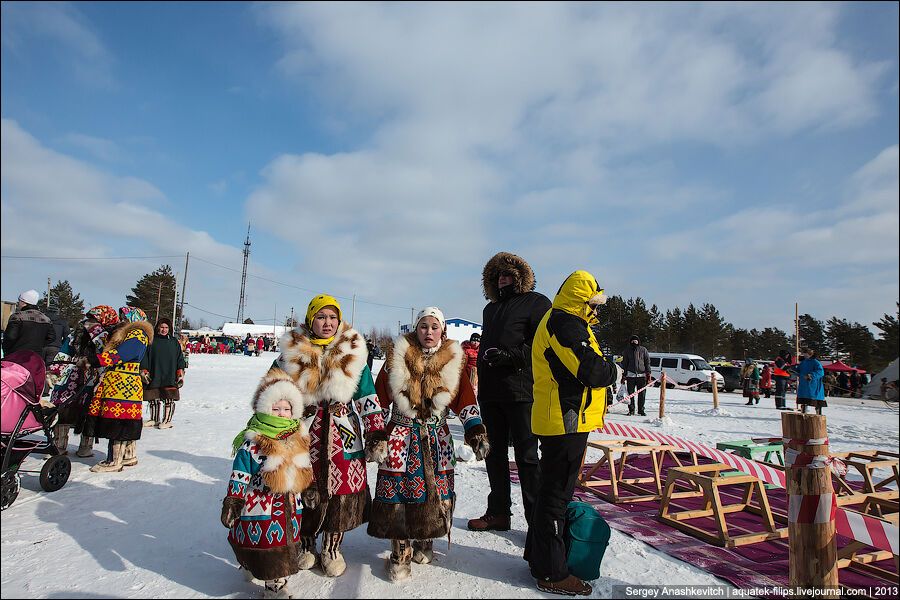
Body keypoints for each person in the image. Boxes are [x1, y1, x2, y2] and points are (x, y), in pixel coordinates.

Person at [260, 294, 386, 577]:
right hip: (304, 429)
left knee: (342, 491)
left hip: (343, 431)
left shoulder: (354, 352)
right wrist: (265, 429)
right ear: (310, 319)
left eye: (332, 317)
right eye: (321, 317)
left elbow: (367, 394)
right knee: (303, 485)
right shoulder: (291, 352)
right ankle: (306, 544)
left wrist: (376, 430)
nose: (327, 323)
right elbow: (270, 391)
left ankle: (332, 547)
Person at [368, 307, 490, 581]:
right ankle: (400, 550)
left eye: (434, 326)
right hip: (401, 435)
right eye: (423, 326)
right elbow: (377, 400)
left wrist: (475, 431)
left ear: (442, 330)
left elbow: (466, 401)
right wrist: (376, 434)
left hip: (436, 438)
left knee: (436, 492)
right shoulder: (396, 358)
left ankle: (426, 539)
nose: (429, 332)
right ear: (416, 329)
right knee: (398, 493)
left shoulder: (453, 363)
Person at [527, 270, 617, 596]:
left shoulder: (570, 322)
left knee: (550, 493)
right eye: (593, 304)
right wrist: (613, 369)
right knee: (556, 498)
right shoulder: (564, 323)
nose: (597, 310)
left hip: (564, 420)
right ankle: (551, 573)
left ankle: (538, 558)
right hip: (564, 422)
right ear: (581, 300)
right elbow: (592, 370)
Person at [468, 252, 551, 534]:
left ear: (519, 278)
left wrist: (510, 356)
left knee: (528, 458)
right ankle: (499, 513)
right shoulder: (490, 309)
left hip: (522, 392)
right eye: (498, 275)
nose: (503, 279)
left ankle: (535, 522)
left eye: (508, 275)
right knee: (494, 454)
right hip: (491, 393)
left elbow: (542, 344)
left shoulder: (537, 302)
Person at [221, 372, 313, 598]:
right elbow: (240, 473)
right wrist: (234, 499)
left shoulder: (298, 437)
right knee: (263, 545)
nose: (282, 414)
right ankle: (272, 584)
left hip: (290, 506)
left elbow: (305, 466)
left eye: (286, 409)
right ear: (265, 409)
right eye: (276, 408)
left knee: (284, 544)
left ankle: (273, 579)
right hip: (260, 505)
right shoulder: (254, 441)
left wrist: (310, 487)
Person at [83, 306, 153, 472]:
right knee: (126, 421)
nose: (121, 320)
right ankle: (128, 455)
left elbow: (123, 354)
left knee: (117, 421)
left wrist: (97, 360)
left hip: (122, 383)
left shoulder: (136, 334)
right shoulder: (134, 333)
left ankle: (114, 461)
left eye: (124, 317)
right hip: (123, 383)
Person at [47, 305, 118, 457]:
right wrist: (55, 370)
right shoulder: (77, 332)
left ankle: (86, 445)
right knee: (63, 407)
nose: (90, 323)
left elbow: (107, 356)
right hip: (72, 373)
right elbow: (65, 351)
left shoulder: (109, 336)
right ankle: (59, 444)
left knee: (89, 411)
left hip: (94, 375)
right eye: (90, 318)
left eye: (95, 319)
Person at [140, 318, 186, 430]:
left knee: (169, 398)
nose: (164, 330)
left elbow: (180, 357)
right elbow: (145, 356)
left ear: (169, 328)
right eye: (162, 327)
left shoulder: (174, 341)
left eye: (166, 328)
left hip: (170, 373)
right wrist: (144, 369)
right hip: (155, 372)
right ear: (157, 328)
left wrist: (180, 369)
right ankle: (154, 419)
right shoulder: (151, 341)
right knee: (154, 397)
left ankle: (167, 420)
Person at [2, 290, 55, 357]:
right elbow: (52, 337)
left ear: (24, 302)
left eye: (19, 301)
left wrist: (6, 350)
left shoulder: (17, 317)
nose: (18, 303)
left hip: (16, 355)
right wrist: (38, 345)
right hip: (35, 357)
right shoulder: (46, 319)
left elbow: (10, 337)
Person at [620, 335, 651, 416]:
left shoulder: (643, 350)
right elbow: (625, 363)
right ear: (630, 342)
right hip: (631, 375)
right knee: (630, 394)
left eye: (636, 341)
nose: (634, 343)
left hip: (642, 376)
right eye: (633, 341)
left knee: (642, 394)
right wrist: (624, 375)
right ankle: (631, 410)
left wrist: (648, 373)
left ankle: (641, 410)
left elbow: (647, 362)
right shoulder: (627, 351)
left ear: (638, 342)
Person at [796, 348, 826, 415]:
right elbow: (798, 371)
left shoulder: (816, 362)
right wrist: (793, 371)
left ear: (810, 354)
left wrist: (811, 375)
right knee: (804, 401)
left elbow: (820, 372)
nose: (805, 356)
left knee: (816, 401)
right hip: (804, 385)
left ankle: (818, 413)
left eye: (806, 355)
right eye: (804, 355)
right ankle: (803, 412)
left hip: (814, 385)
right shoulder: (803, 362)